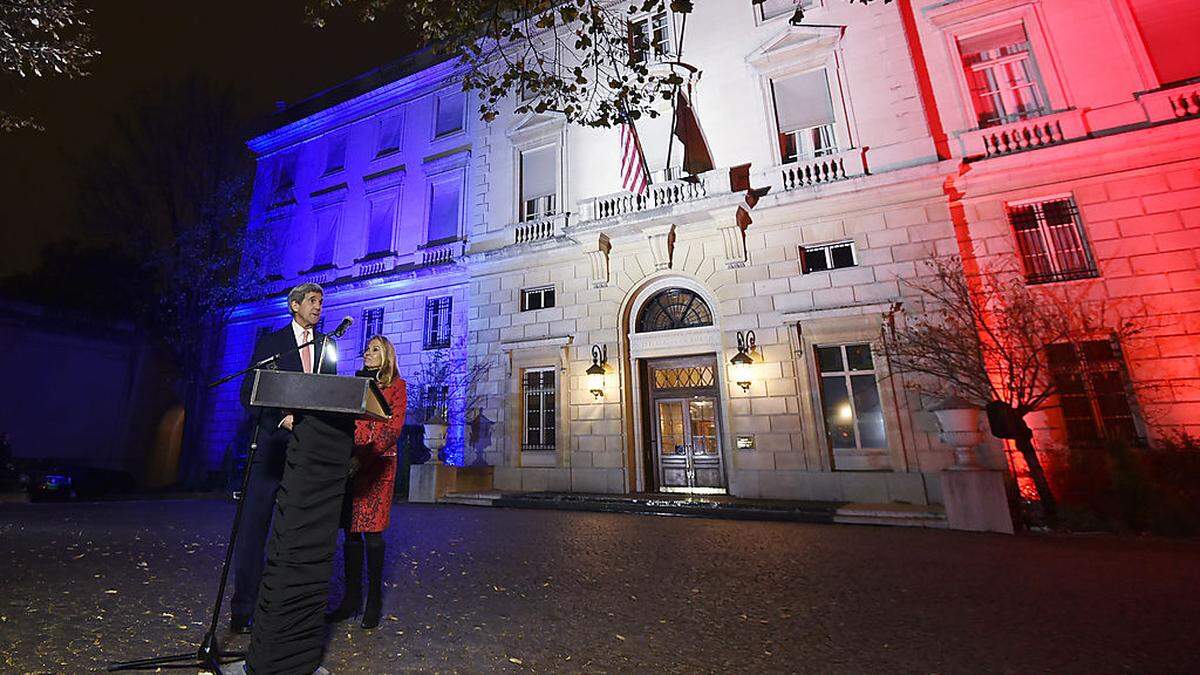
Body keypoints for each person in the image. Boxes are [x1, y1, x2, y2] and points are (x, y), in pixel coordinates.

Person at [231, 282, 334, 635]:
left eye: (321, 301)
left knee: (294, 537)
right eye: (312, 301)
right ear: (294, 305)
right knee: (253, 532)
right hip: (270, 453)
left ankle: (284, 610)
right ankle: (243, 609)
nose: (318, 306)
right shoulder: (271, 343)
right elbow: (249, 394)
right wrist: (281, 418)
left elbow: (330, 397)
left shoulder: (327, 346)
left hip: (306, 457)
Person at [326, 335, 406, 629]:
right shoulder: (355, 382)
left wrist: (365, 459)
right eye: (367, 348)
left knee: (372, 534)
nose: (367, 352)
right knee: (350, 534)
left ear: (386, 355)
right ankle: (350, 600)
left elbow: (393, 428)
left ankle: (373, 601)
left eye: (375, 349)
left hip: (378, 466)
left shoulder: (397, 386)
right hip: (350, 464)